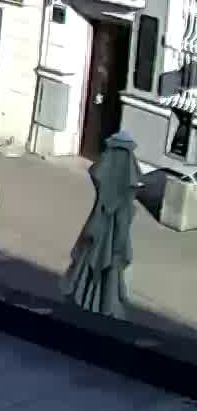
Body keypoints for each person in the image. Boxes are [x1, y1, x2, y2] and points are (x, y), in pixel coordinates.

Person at [63, 131, 139, 319]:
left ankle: (88, 298)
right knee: (109, 264)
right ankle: (102, 302)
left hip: (101, 224)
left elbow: (97, 172)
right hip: (112, 227)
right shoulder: (127, 172)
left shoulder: (109, 168)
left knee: (91, 259)